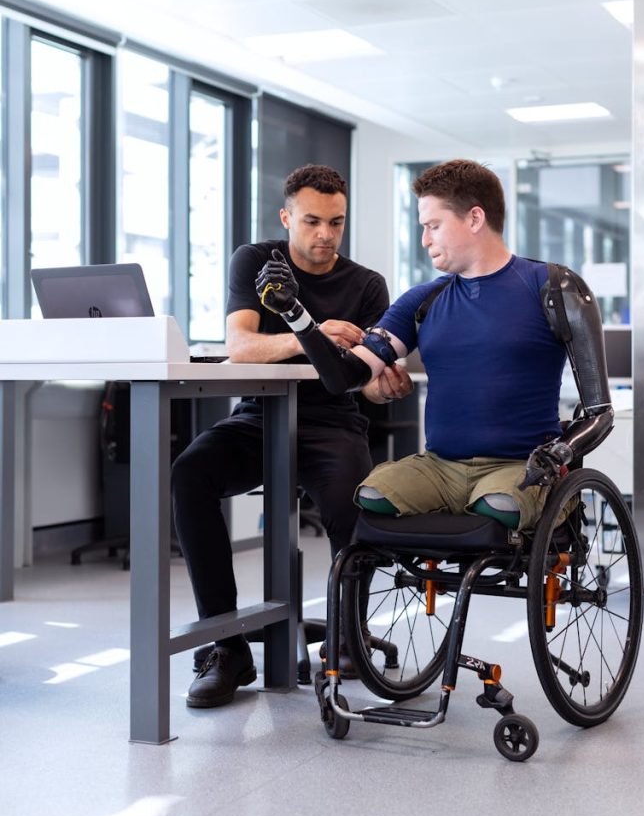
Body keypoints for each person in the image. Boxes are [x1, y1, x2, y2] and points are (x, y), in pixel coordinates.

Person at [255, 158, 613, 535]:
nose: (425, 239)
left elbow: (600, 413)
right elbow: (345, 376)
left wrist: (560, 453)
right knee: (372, 495)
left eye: (433, 226)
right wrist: (296, 315)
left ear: (474, 219)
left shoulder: (554, 289)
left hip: (518, 467)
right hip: (439, 468)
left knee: (498, 505)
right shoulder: (422, 301)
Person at [172, 163, 412, 708]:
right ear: (287, 218)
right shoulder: (257, 262)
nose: (324, 234)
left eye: (336, 222)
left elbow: (367, 386)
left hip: (333, 422)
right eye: (311, 221)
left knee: (354, 503)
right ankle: (227, 646)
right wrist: (311, 334)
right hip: (259, 416)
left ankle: (348, 635)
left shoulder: (368, 285)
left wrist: (384, 389)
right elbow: (241, 346)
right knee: (190, 474)